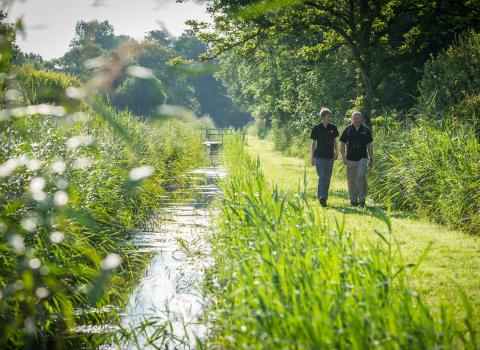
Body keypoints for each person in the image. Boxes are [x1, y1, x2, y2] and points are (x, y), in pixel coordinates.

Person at [340, 111, 374, 208]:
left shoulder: (366, 130)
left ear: (361, 119)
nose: (356, 119)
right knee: (351, 180)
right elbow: (342, 143)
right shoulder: (347, 129)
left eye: (358, 118)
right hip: (350, 158)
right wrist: (343, 157)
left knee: (360, 176)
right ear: (351, 119)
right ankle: (353, 201)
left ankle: (362, 200)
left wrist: (371, 159)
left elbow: (369, 145)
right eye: (354, 118)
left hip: (362, 158)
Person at [310, 108, 339, 207]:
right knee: (322, 176)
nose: (330, 118)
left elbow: (335, 141)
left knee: (327, 177)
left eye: (330, 116)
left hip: (330, 156)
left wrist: (336, 152)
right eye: (328, 116)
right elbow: (313, 143)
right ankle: (322, 196)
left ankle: (323, 198)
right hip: (319, 156)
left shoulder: (333, 128)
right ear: (322, 117)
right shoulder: (316, 128)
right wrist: (312, 157)